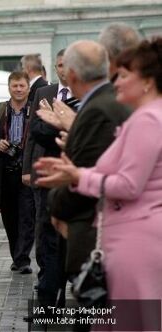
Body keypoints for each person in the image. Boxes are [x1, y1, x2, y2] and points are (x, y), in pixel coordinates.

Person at [34, 37, 162, 329]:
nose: (116, 81)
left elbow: (129, 184)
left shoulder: (148, 120)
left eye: (125, 75)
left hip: (135, 239)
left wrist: (78, 176)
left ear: (148, 82)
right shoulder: (144, 117)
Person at [35, 40, 131, 281]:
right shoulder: (104, 102)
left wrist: (55, 204)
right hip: (107, 227)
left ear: (74, 75)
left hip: (98, 230)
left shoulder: (98, 109)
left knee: (100, 314)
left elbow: (95, 170)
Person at [21, 49, 71, 306]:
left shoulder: (84, 97)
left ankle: (65, 284)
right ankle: (47, 288)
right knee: (44, 230)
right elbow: (31, 133)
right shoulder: (43, 92)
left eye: (67, 65)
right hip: (43, 173)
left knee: (67, 233)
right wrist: (27, 168)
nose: (63, 70)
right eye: (59, 65)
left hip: (72, 172)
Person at [0, 71, 35, 275]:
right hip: (3, 173)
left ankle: (23, 258)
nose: (18, 89)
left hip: (28, 172)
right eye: (15, 86)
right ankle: (17, 256)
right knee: (10, 218)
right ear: (9, 87)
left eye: (22, 86)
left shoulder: (37, 111)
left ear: (28, 87)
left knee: (28, 216)